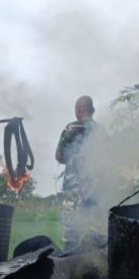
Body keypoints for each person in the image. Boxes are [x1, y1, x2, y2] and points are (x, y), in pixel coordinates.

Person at [55, 95, 107, 248]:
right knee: (95, 235)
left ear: (78, 111)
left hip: (74, 191)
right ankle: (94, 262)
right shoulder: (102, 131)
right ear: (93, 110)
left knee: (72, 235)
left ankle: (70, 261)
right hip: (96, 190)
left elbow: (59, 156)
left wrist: (73, 159)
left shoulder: (71, 128)